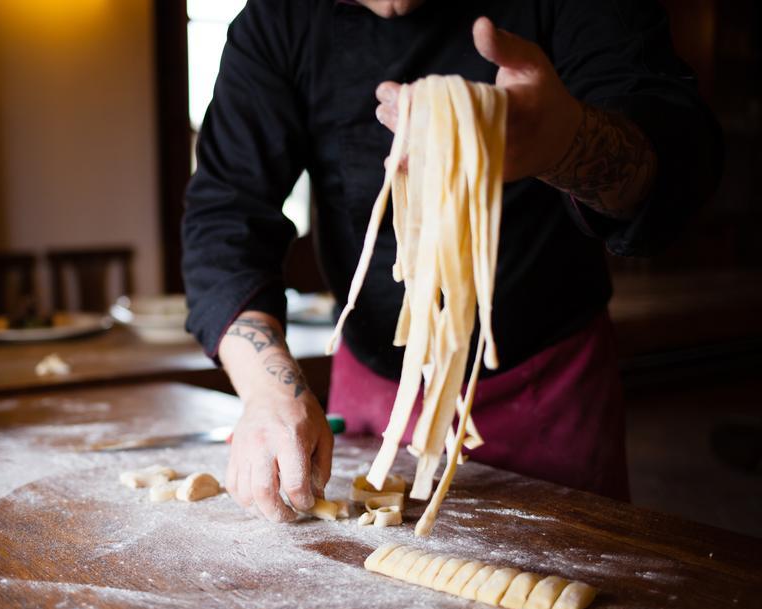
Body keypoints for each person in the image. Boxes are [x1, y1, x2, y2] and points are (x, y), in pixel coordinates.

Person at [181, 0, 723, 522]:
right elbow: (226, 214)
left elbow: (674, 163)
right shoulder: (279, 19)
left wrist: (567, 142)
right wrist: (268, 390)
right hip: (373, 390)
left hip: (547, 386)